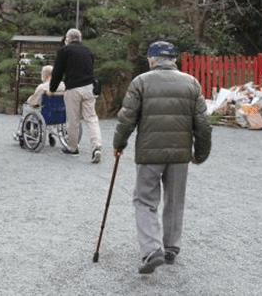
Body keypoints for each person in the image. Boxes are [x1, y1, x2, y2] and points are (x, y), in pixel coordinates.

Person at [112, 41, 212, 274]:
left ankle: (151, 249)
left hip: (149, 153)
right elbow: (204, 125)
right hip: (180, 154)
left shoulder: (141, 82)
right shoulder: (191, 83)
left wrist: (119, 143)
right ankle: (170, 248)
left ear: (152, 59)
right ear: (174, 60)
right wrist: (201, 154)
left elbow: (127, 119)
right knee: (175, 199)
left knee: (145, 200)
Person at [48, 28, 102, 163]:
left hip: (73, 88)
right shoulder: (88, 50)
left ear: (68, 38)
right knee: (92, 118)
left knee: (73, 120)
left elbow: (57, 72)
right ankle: (96, 147)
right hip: (89, 87)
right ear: (80, 38)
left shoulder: (64, 51)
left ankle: (73, 147)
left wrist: (52, 88)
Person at [13, 65, 65, 140]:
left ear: (45, 75)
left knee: (27, 107)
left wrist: (29, 100)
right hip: (60, 114)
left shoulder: (42, 87)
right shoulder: (62, 85)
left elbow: (33, 102)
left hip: (45, 114)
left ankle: (27, 131)